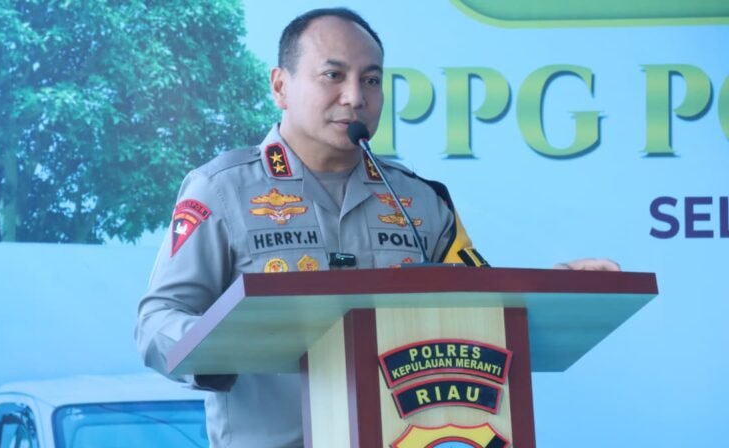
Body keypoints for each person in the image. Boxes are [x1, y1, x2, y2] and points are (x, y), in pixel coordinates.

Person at [135, 8, 619, 448]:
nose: (355, 97)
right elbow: (158, 320)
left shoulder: (418, 200)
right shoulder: (221, 190)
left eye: (371, 80)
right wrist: (225, 344)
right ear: (280, 86)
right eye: (333, 75)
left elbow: (480, 304)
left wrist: (557, 285)